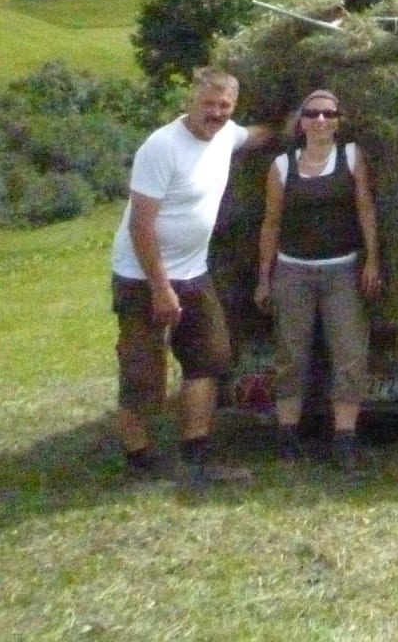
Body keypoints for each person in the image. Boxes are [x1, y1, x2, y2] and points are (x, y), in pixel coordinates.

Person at [110, 66, 273, 486]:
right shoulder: (161, 147)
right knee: (142, 371)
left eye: (224, 106)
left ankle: (195, 456)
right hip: (142, 277)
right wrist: (161, 287)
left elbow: (255, 136)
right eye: (208, 104)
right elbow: (141, 226)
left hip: (193, 273)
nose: (216, 113)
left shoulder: (226, 135)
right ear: (191, 101)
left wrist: (297, 123)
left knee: (209, 359)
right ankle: (140, 461)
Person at [252, 88, 383, 471]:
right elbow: (271, 224)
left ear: (339, 121)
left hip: (343, 271)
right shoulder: (281, 166)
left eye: (328, 114)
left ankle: (344, 440)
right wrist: (264, 277)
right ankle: (287, 438)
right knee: (291, 353)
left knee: (349, 353)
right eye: (312, 114)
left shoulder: (352, 157)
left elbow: (365, 210)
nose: (321, 120)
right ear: (301, 122)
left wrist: (372, 260)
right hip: (293, 271)